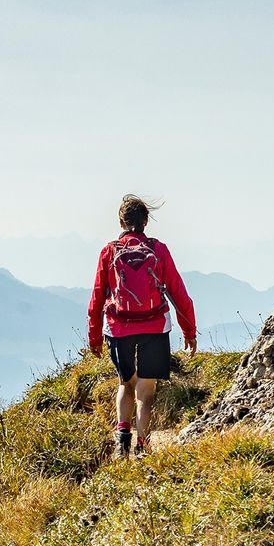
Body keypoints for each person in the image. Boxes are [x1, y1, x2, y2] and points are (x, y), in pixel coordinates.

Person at [87, 195, 197, 458]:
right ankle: (142, 445)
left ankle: (122, 437)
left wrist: (94, 337)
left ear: (121, 222)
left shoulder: (109, 251)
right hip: (154, 326)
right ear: (146, 221)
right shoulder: (158, 250)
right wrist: (189, 330)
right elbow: (178, 293)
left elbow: (97, 296)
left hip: (118, 328)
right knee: (145, 391)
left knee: (126, 383)